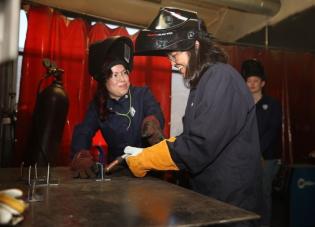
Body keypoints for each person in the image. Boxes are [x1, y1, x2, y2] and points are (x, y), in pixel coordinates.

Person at [123, 7, 262, 227]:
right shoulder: (202, 84)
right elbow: (190, 136)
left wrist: (147, 159)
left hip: (233, 206)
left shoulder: (221, 77)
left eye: (175, 55)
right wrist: (154, 149)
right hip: (212, 200)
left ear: (195, 46)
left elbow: (199, 145)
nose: (172, 63)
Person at [70, 36, 165, 178]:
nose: (123, 79)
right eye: (115, 75)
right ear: (104, 81)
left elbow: (154, 110)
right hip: (119, 171)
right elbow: (84, 131)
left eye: (124, 72)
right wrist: (80, 153)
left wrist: (152, 121)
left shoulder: (142, 94)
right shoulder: (98, 106)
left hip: (150, 169)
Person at [241, 59, 282, 227]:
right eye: (249, 81)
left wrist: (257, 151)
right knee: (245, 194)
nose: (252, 84)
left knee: (263, 194)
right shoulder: (241, 105)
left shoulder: (272, 104)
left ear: (262, 83)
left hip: (266, 157)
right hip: (245, 158)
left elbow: (272, 131)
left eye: (255, 81)